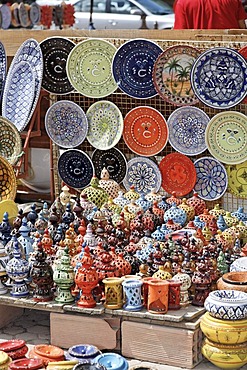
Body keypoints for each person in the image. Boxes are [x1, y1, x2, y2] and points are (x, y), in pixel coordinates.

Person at [173, 0, 247, 29]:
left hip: (196, 58)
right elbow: (242, 28)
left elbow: (180, 34)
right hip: (230, 56)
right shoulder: (234, 1)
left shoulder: (182, 3)